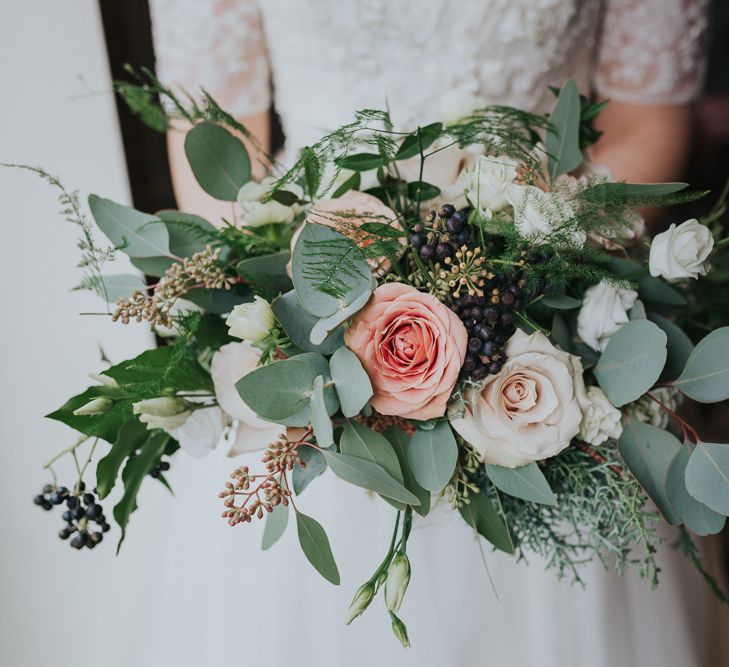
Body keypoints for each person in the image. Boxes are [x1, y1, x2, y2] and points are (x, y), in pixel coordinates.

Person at [143, 2, 727, 666]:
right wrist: (314, 289)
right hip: (316, 300)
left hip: (541, 304)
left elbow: (643, 116)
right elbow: (211, 132)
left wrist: (534, 249)